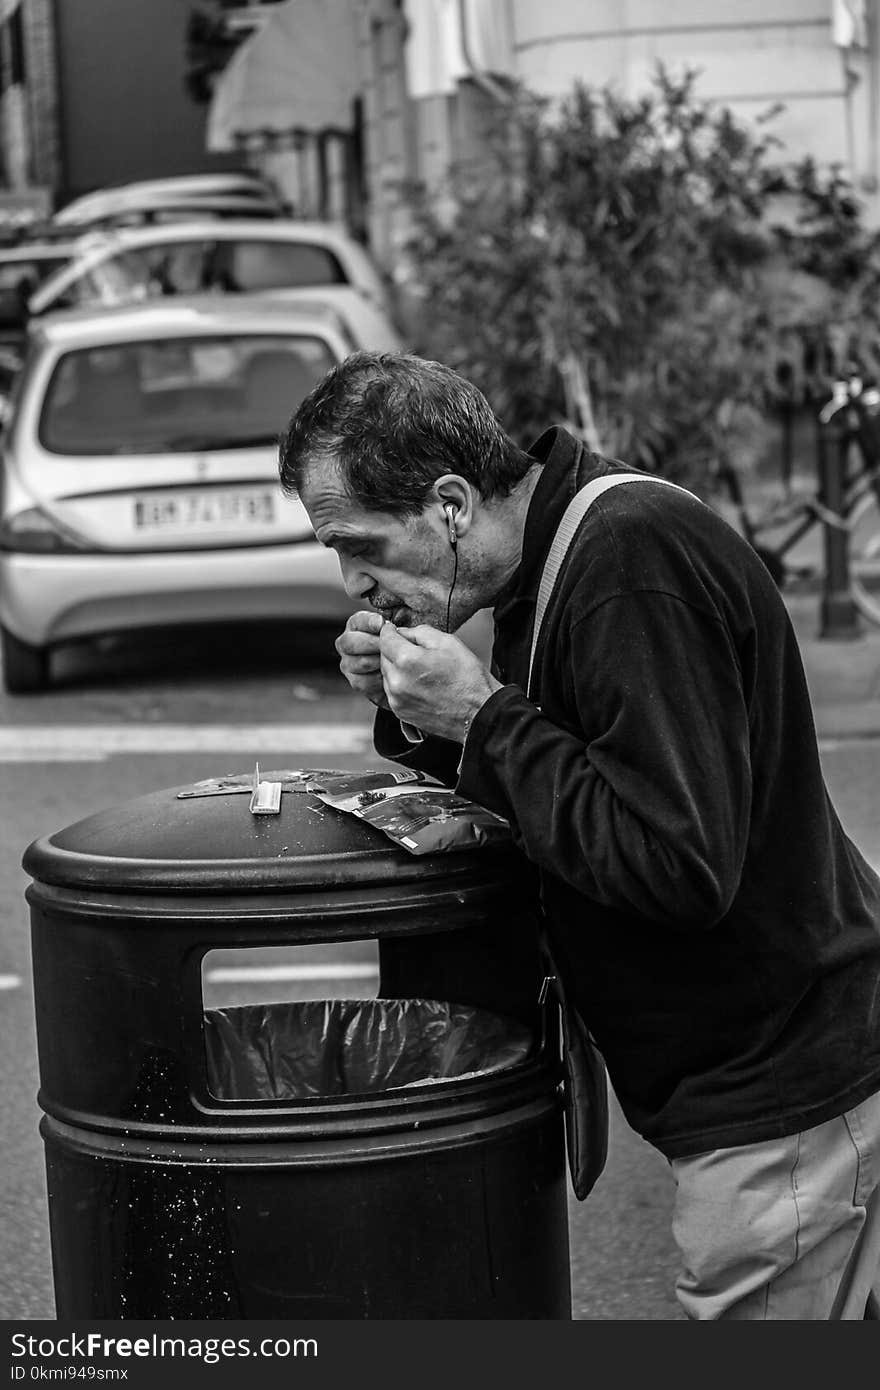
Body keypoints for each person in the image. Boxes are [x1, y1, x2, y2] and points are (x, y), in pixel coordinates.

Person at [278, 349, 880, 1320]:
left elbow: (676, 862)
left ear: (449, 504)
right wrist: (430, 718)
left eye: (361, 544)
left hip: (787, 1100)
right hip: (767, 1084)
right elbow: (576, 790)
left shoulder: (627, 565)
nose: (352, 580)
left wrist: (480, 716)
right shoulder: (551, 566)